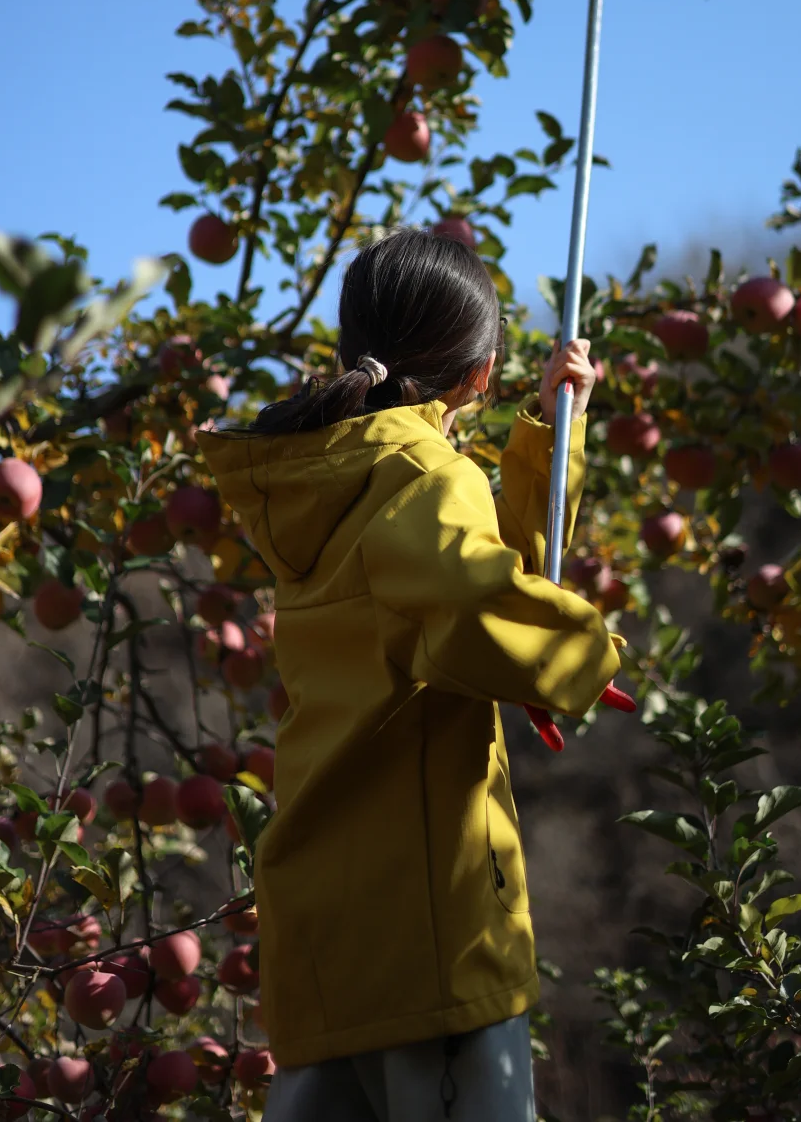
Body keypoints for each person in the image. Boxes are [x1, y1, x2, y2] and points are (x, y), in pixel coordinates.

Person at [198, 227, 628, 1122]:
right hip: (429, 921)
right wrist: (582, 651)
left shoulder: (322, 478)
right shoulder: (425, 475)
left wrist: (552, 436)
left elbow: (463, 580)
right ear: (482, 374)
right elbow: (472, 602)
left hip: (322, 924)